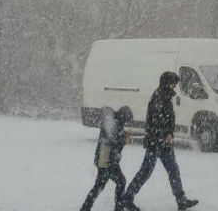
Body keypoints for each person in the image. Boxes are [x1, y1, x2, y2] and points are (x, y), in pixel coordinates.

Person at [120, 71, 198, 211]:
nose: (175, 86)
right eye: (173, 83)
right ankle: (127, 198)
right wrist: (165, 134)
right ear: (167, 83)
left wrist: (168, 134)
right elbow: (155, 122)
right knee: (146, 171)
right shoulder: (158, 97)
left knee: (173, 170)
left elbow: (167, 119)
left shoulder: (166, 96)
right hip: (155, 142)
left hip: (164, 142)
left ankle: (181, 200)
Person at [79, 105, 134, 211]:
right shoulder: (114, 124)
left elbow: (113, 139)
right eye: (126, 120)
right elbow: (113, 144)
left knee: (115, 182)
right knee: (103, 185)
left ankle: (116, 207)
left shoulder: (114, 122)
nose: (126, 123)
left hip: (109, 161)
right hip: (105, 161)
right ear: (124, 116)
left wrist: (123, 135)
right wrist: (124, 140)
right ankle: (86, 208)